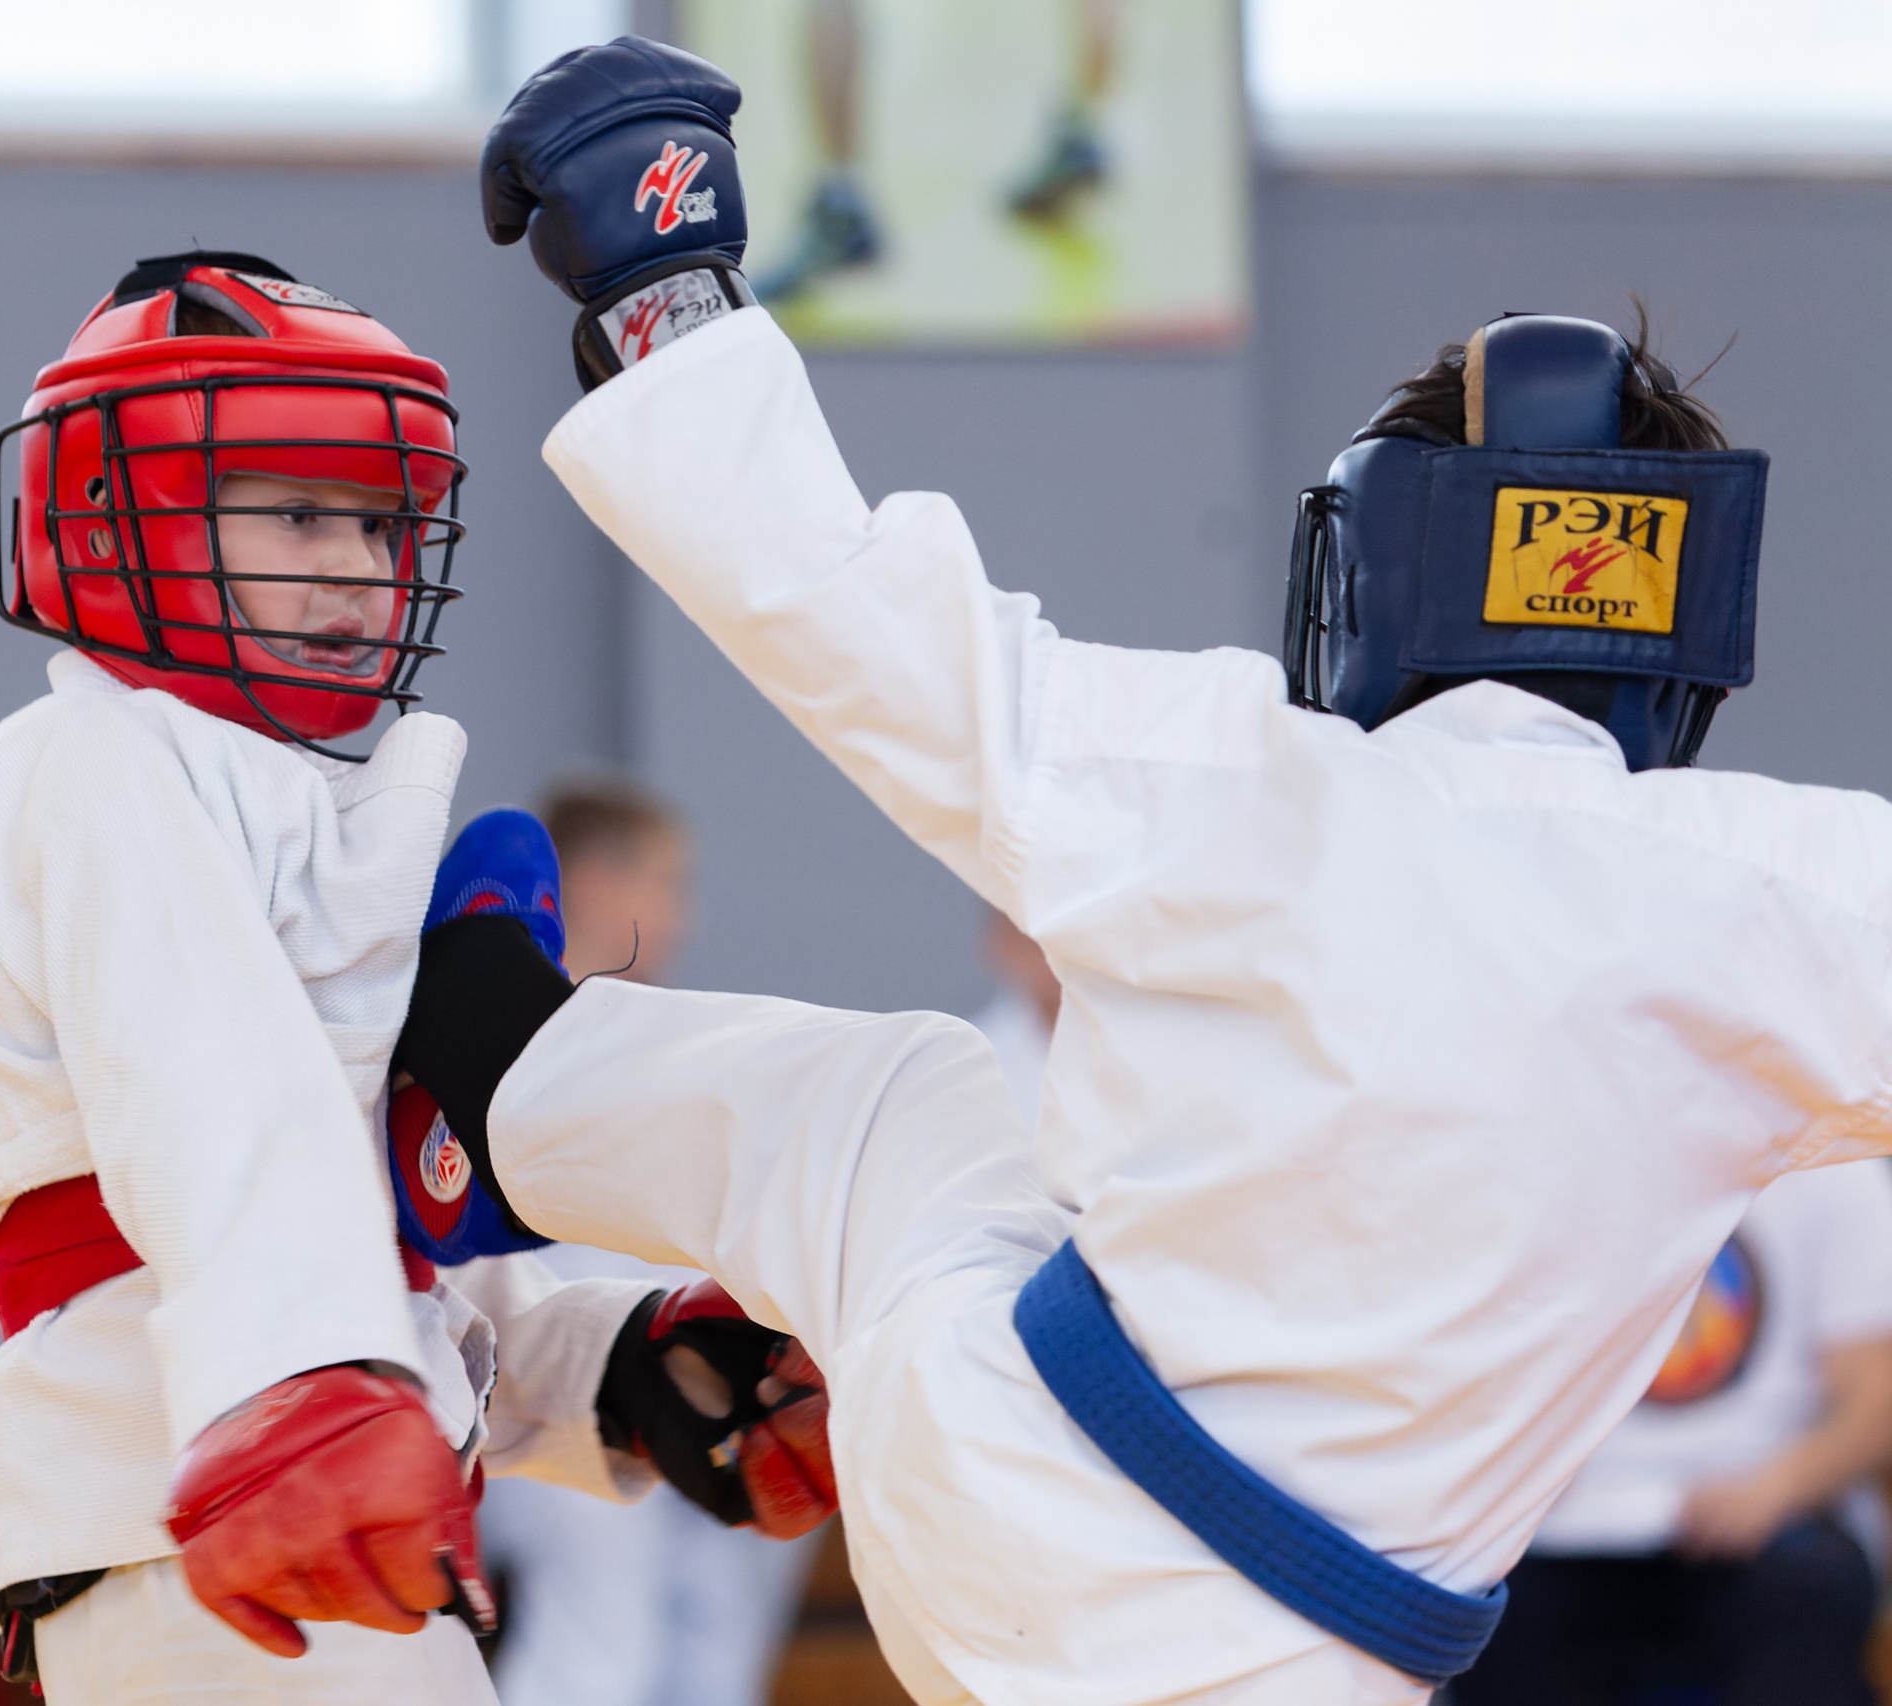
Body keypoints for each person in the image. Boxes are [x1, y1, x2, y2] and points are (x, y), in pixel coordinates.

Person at [386, 36, 1892, 1706]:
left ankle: (495, 1063)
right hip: (1335, 1661)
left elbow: (844, 609)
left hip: (1017, 1495)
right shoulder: (1789, 892)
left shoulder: (1246, 776)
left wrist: (662, 273)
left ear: (1377, 573)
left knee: (909, 1105)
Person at [0, 251, 833, 1706]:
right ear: (113, 513)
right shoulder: (91, 763)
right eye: (293, 511)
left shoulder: (273, 799)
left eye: (379, 520)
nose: (349, 561)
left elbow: (355, 1221)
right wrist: (298, 1393)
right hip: (207, 1501)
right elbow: (216, 1118)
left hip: (300, 1498)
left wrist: (607, 1369)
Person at [480, 775, 824, 1706]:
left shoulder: (663, 1037)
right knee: (595, 1633)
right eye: (666, 884)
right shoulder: (493, 1025)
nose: (683, 915)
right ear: (592, 885)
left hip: (661, 1347)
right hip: (540, 1359)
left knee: (714, 1616)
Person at [1451, 1161, 1892, 1706]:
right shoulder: (1551, 1160)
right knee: (1481, 1610)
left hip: (1772, 1523)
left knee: (1807, 1593)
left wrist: (1777, 1488)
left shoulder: (1834, 1161)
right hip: (1572, 1526)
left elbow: (1873, 1400)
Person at [967, 911, 1060, 1132]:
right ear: (1001, 942)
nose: (1053, 958)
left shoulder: (1147, 1038)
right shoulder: (968, 1062)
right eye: (1034, 941)